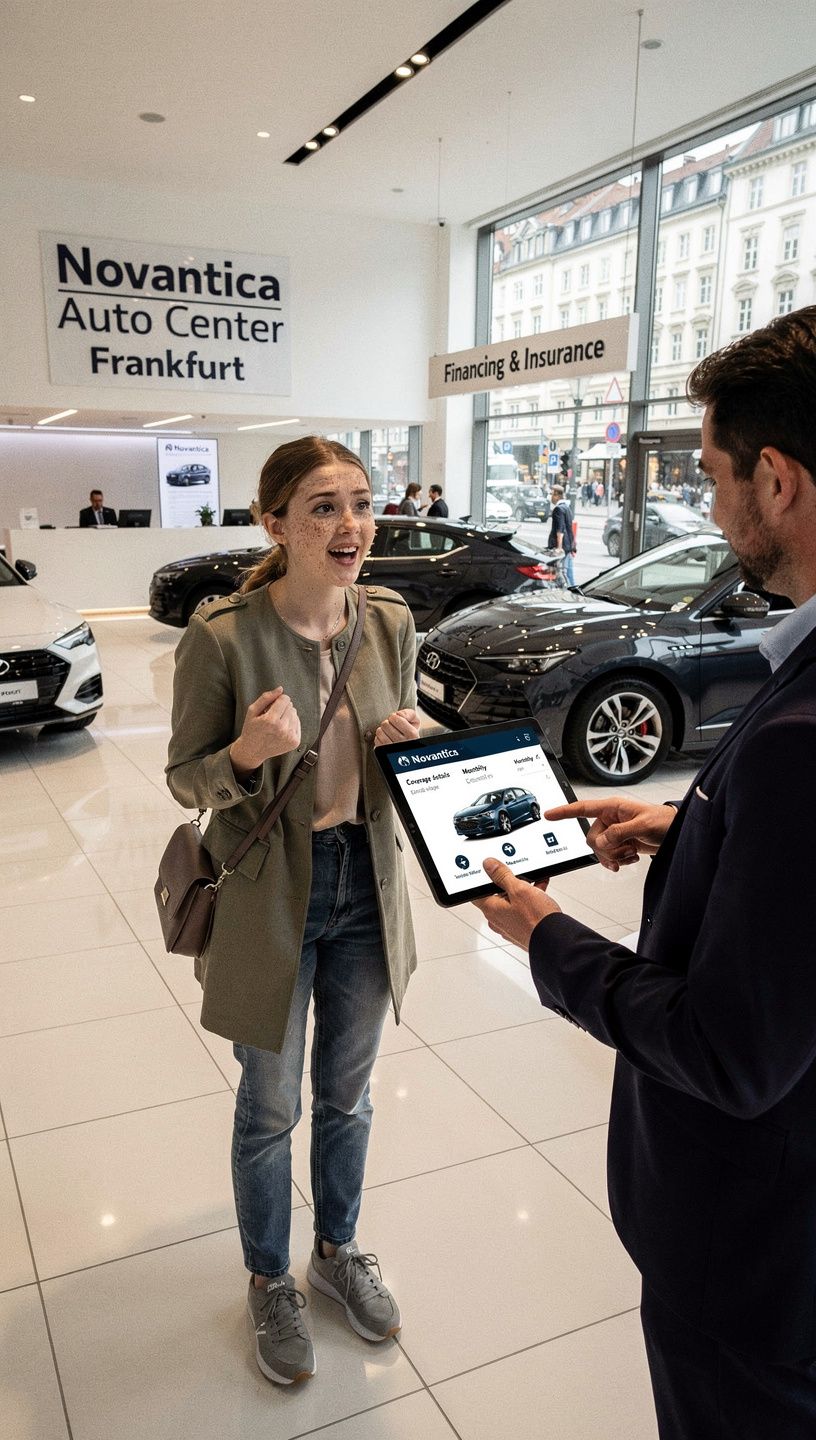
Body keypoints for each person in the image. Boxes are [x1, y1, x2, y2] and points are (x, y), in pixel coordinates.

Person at [473, 306, 816, 1439]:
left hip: (759, 1265)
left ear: (777, 479)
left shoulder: (797, 735)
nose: (711, 506)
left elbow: (732, 1051)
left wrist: (550, 942)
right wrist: (695, 826)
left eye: (715, 474)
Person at [166, 436, 420, 1387]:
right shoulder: (223, 637)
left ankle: (337, 1251)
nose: (350, 523)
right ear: (275, 522)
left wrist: (413, 740)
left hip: (368, 884)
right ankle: (270, 1275)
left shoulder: (389, 620)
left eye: (360, 502)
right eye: (323, 506)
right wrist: (242, 754)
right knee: (271, 1105)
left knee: (347, 1096)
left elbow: (403, 747)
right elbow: (183, 780)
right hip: (272, 894)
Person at [547, 484, 576, 585]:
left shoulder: (558, 510)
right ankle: (575, 592)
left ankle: (570, 595)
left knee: (562, 574)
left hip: (562, 547)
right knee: (569, 573)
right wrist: (573, 547)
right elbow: (570, 529)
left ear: (557, 495)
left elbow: (560, 529)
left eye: (552, 494)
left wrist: (559, 547)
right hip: (568, 547)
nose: (550, 496)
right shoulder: (567, 508)